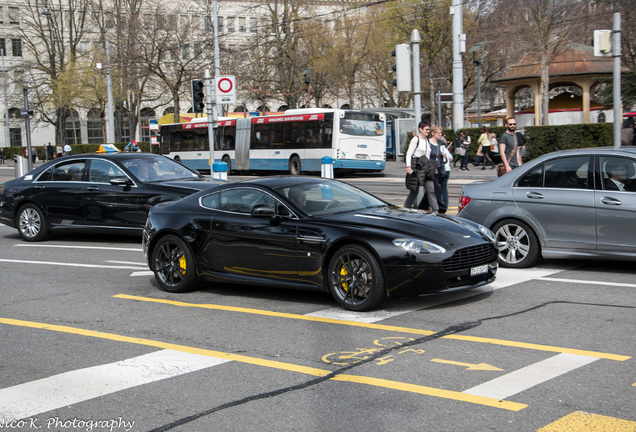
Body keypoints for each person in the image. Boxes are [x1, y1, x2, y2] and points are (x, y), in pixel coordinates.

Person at [404, 122, 438, 211]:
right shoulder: (416, 139)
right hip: (417, 167)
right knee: (414, 191)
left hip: (425, 168)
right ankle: (405, 209)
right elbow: (409, 153)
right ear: (420, 129)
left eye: (428, 129)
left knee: (430, 189)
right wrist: (408, 166)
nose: (428, 131)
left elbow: (427, 155)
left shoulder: (427, 140)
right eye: (426, 129)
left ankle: (436, 210)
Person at [418, 126, 447, 213]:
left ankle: (421, 208)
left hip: (437, 168)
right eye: (438, 132)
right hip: (429, 169)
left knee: (430, 190)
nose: (439, 134)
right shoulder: (427, 142)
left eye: (440, 133)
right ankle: (441, 208)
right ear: (432, 133)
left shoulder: (438, 142)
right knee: (437, 189)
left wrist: (442, 155)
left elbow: (437, 154)